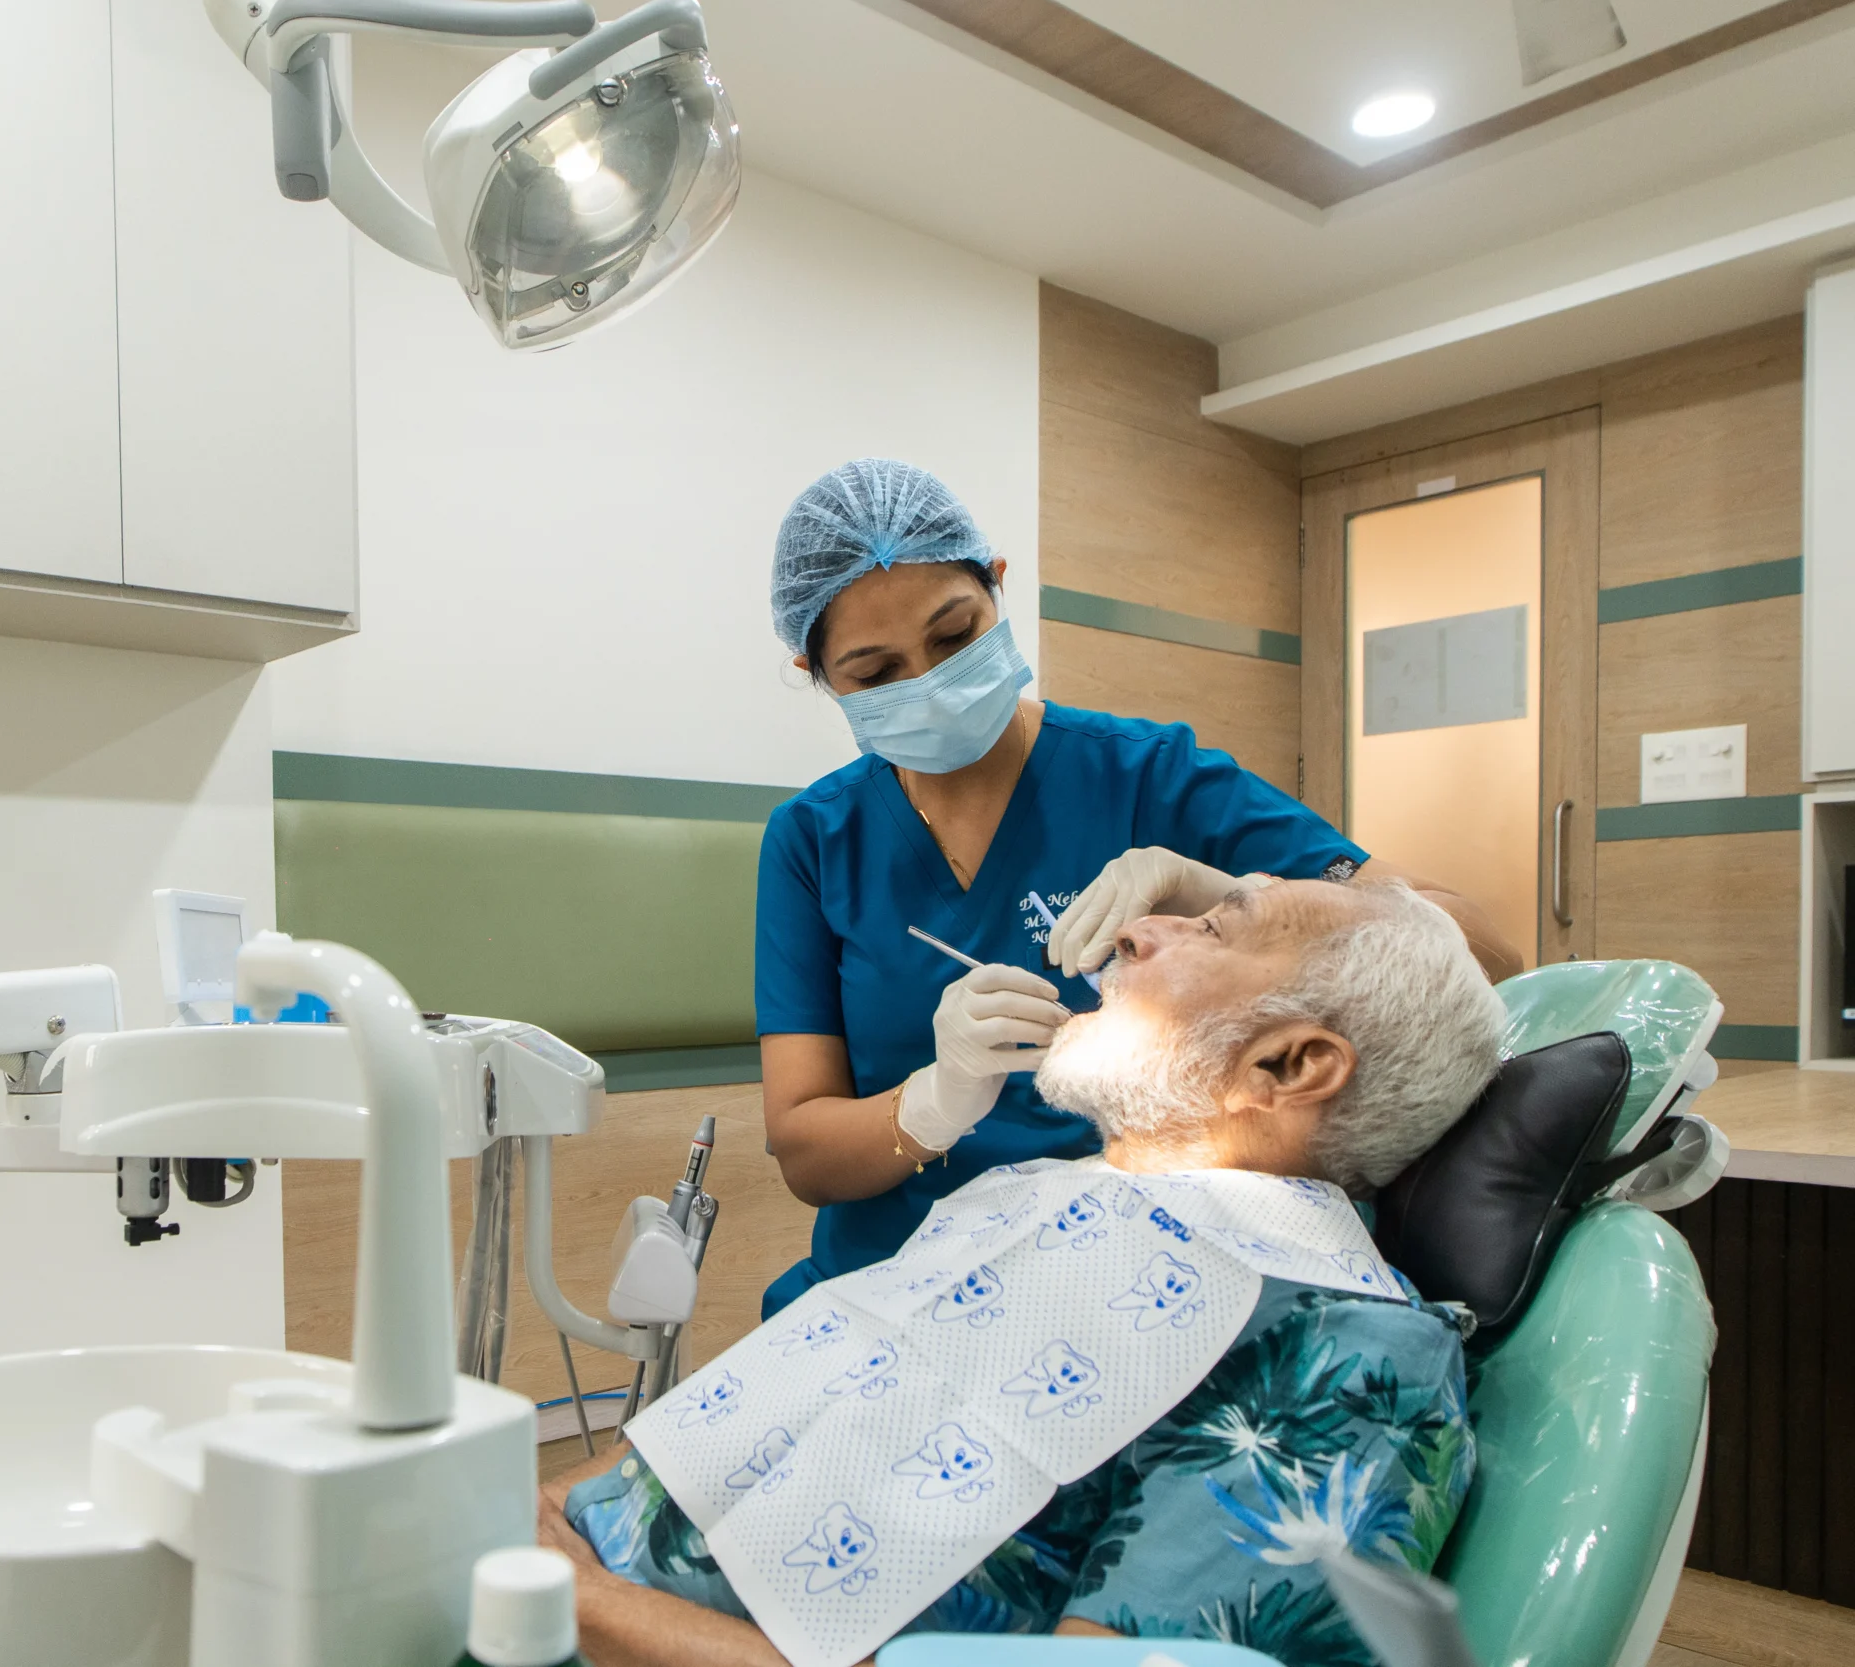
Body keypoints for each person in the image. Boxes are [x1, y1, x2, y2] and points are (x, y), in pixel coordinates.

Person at [543, 877, 1506, 1667]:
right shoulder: (1046, 1195)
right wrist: (541, 1508)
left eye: (1212, 926)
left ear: (1288, 1065)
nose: (1136, 929)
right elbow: (750, 1422)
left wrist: (571, 1600)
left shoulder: (1344, 1355)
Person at [756, 458, 1523, 1315]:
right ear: (817, 672)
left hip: (1123, 1279)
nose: (929, 687)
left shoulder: (1155, 777)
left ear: (998, 585)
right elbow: (806, 1151)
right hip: (880, 1287)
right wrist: (931, 1104)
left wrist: (1216, 891)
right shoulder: (814, 839)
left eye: (954, 636)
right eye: (876, 673)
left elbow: (1482, 953)